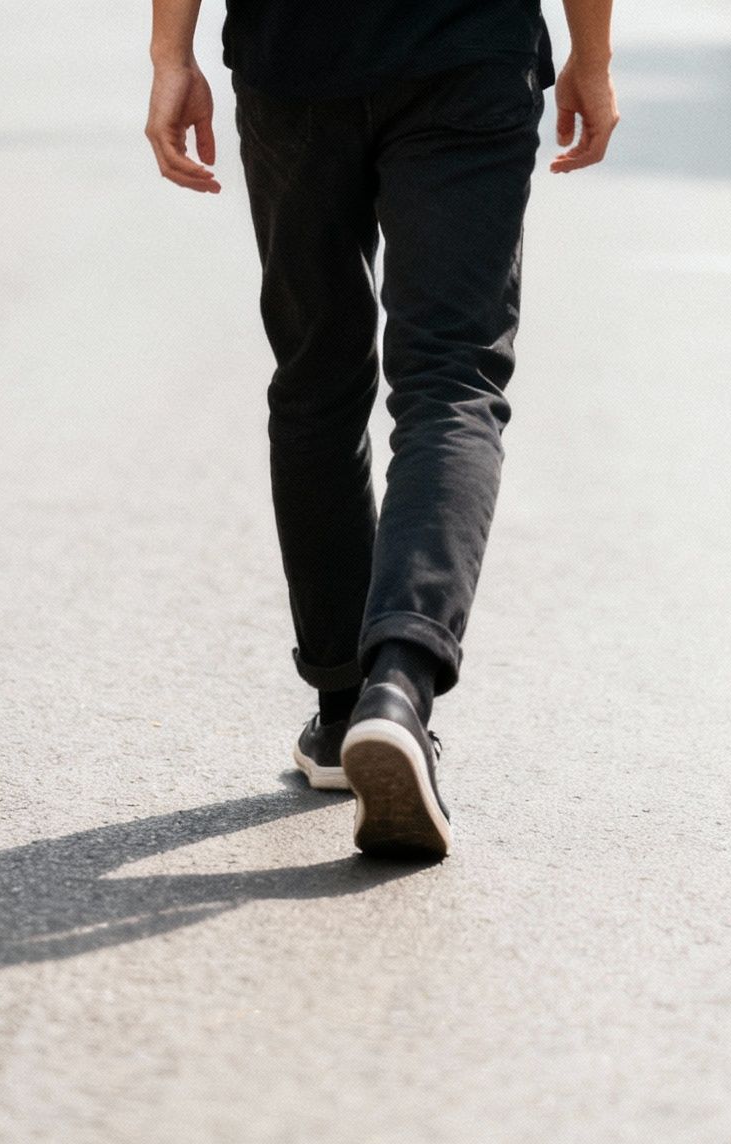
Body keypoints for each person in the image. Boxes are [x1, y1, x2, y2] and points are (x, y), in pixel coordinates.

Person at [146, 0, 619, 859]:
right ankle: (397, 688)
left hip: (295, 58)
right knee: (451, 378)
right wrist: (594, 53)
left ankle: (340, 707)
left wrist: (168, 55)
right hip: (468, 55)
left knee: (317, 375)